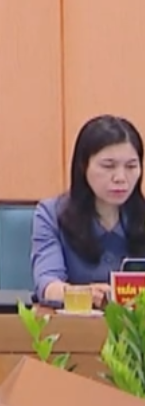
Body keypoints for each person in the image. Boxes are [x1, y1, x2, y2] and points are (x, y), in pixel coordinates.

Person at [32, 114, 145, 308]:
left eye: (131, 166)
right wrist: (84, 294)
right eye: (108, 166)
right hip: (76, 324)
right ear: (83, 166)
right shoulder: (51, 214)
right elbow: (48, 286)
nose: (120, 177)